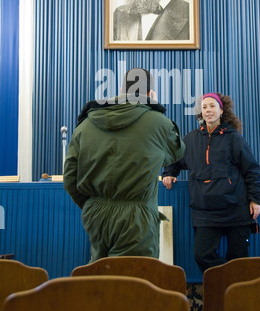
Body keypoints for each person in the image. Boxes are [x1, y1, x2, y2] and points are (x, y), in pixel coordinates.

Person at [63, 68, 185, 262]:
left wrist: (91, 205)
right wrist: (154, 106)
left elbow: (70, 177)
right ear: (149, 93)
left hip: (96, 215)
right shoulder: (158, 122)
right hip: (137, 218)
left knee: (100, 278)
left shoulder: (86, 124)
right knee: (134, 283)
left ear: (121, 89)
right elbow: (177, 152)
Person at [162, 92, 260, 274]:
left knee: (239, 260)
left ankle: (234, 294)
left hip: (236, 210)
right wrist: (169, 173)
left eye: (212, 106)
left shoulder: (233, 138)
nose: (208, 110)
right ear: (201, 112)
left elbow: (252, 170)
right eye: (204, 107)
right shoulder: (192, 139)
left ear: (221, 110)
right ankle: (228, 280)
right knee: (202, 255)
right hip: (204, 212)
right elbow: (175, 159)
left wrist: (255, 199)